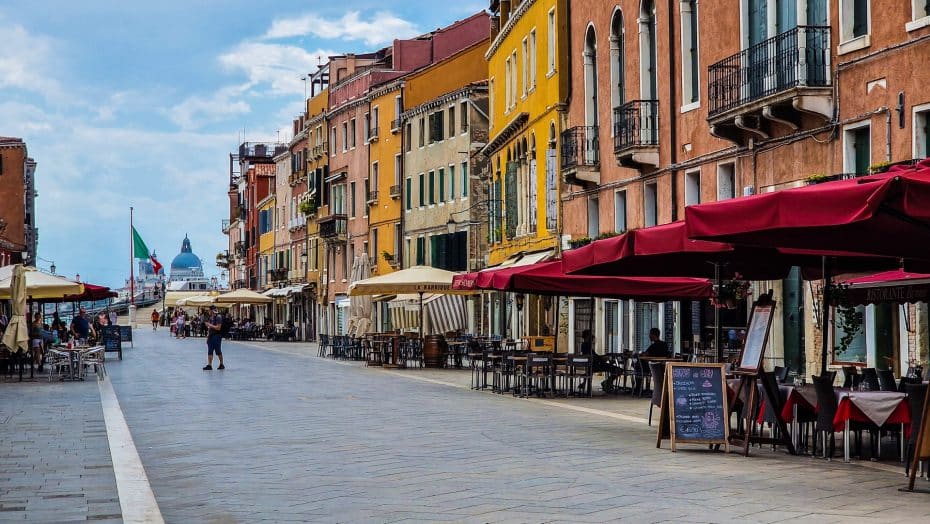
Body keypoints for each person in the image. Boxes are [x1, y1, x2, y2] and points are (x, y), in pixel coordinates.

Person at [202, 306, 225, 370]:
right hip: (211, 336)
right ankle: (209, 365)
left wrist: (209, 325)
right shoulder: (211, 318)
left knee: (218, 351)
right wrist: (208, 337)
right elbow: (210, 329)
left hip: (217, 336)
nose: (208, 312)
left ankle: (221, 364)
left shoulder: (218, 317)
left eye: (209, 310)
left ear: (212, 310)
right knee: (210, 350)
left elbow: (218, 328)